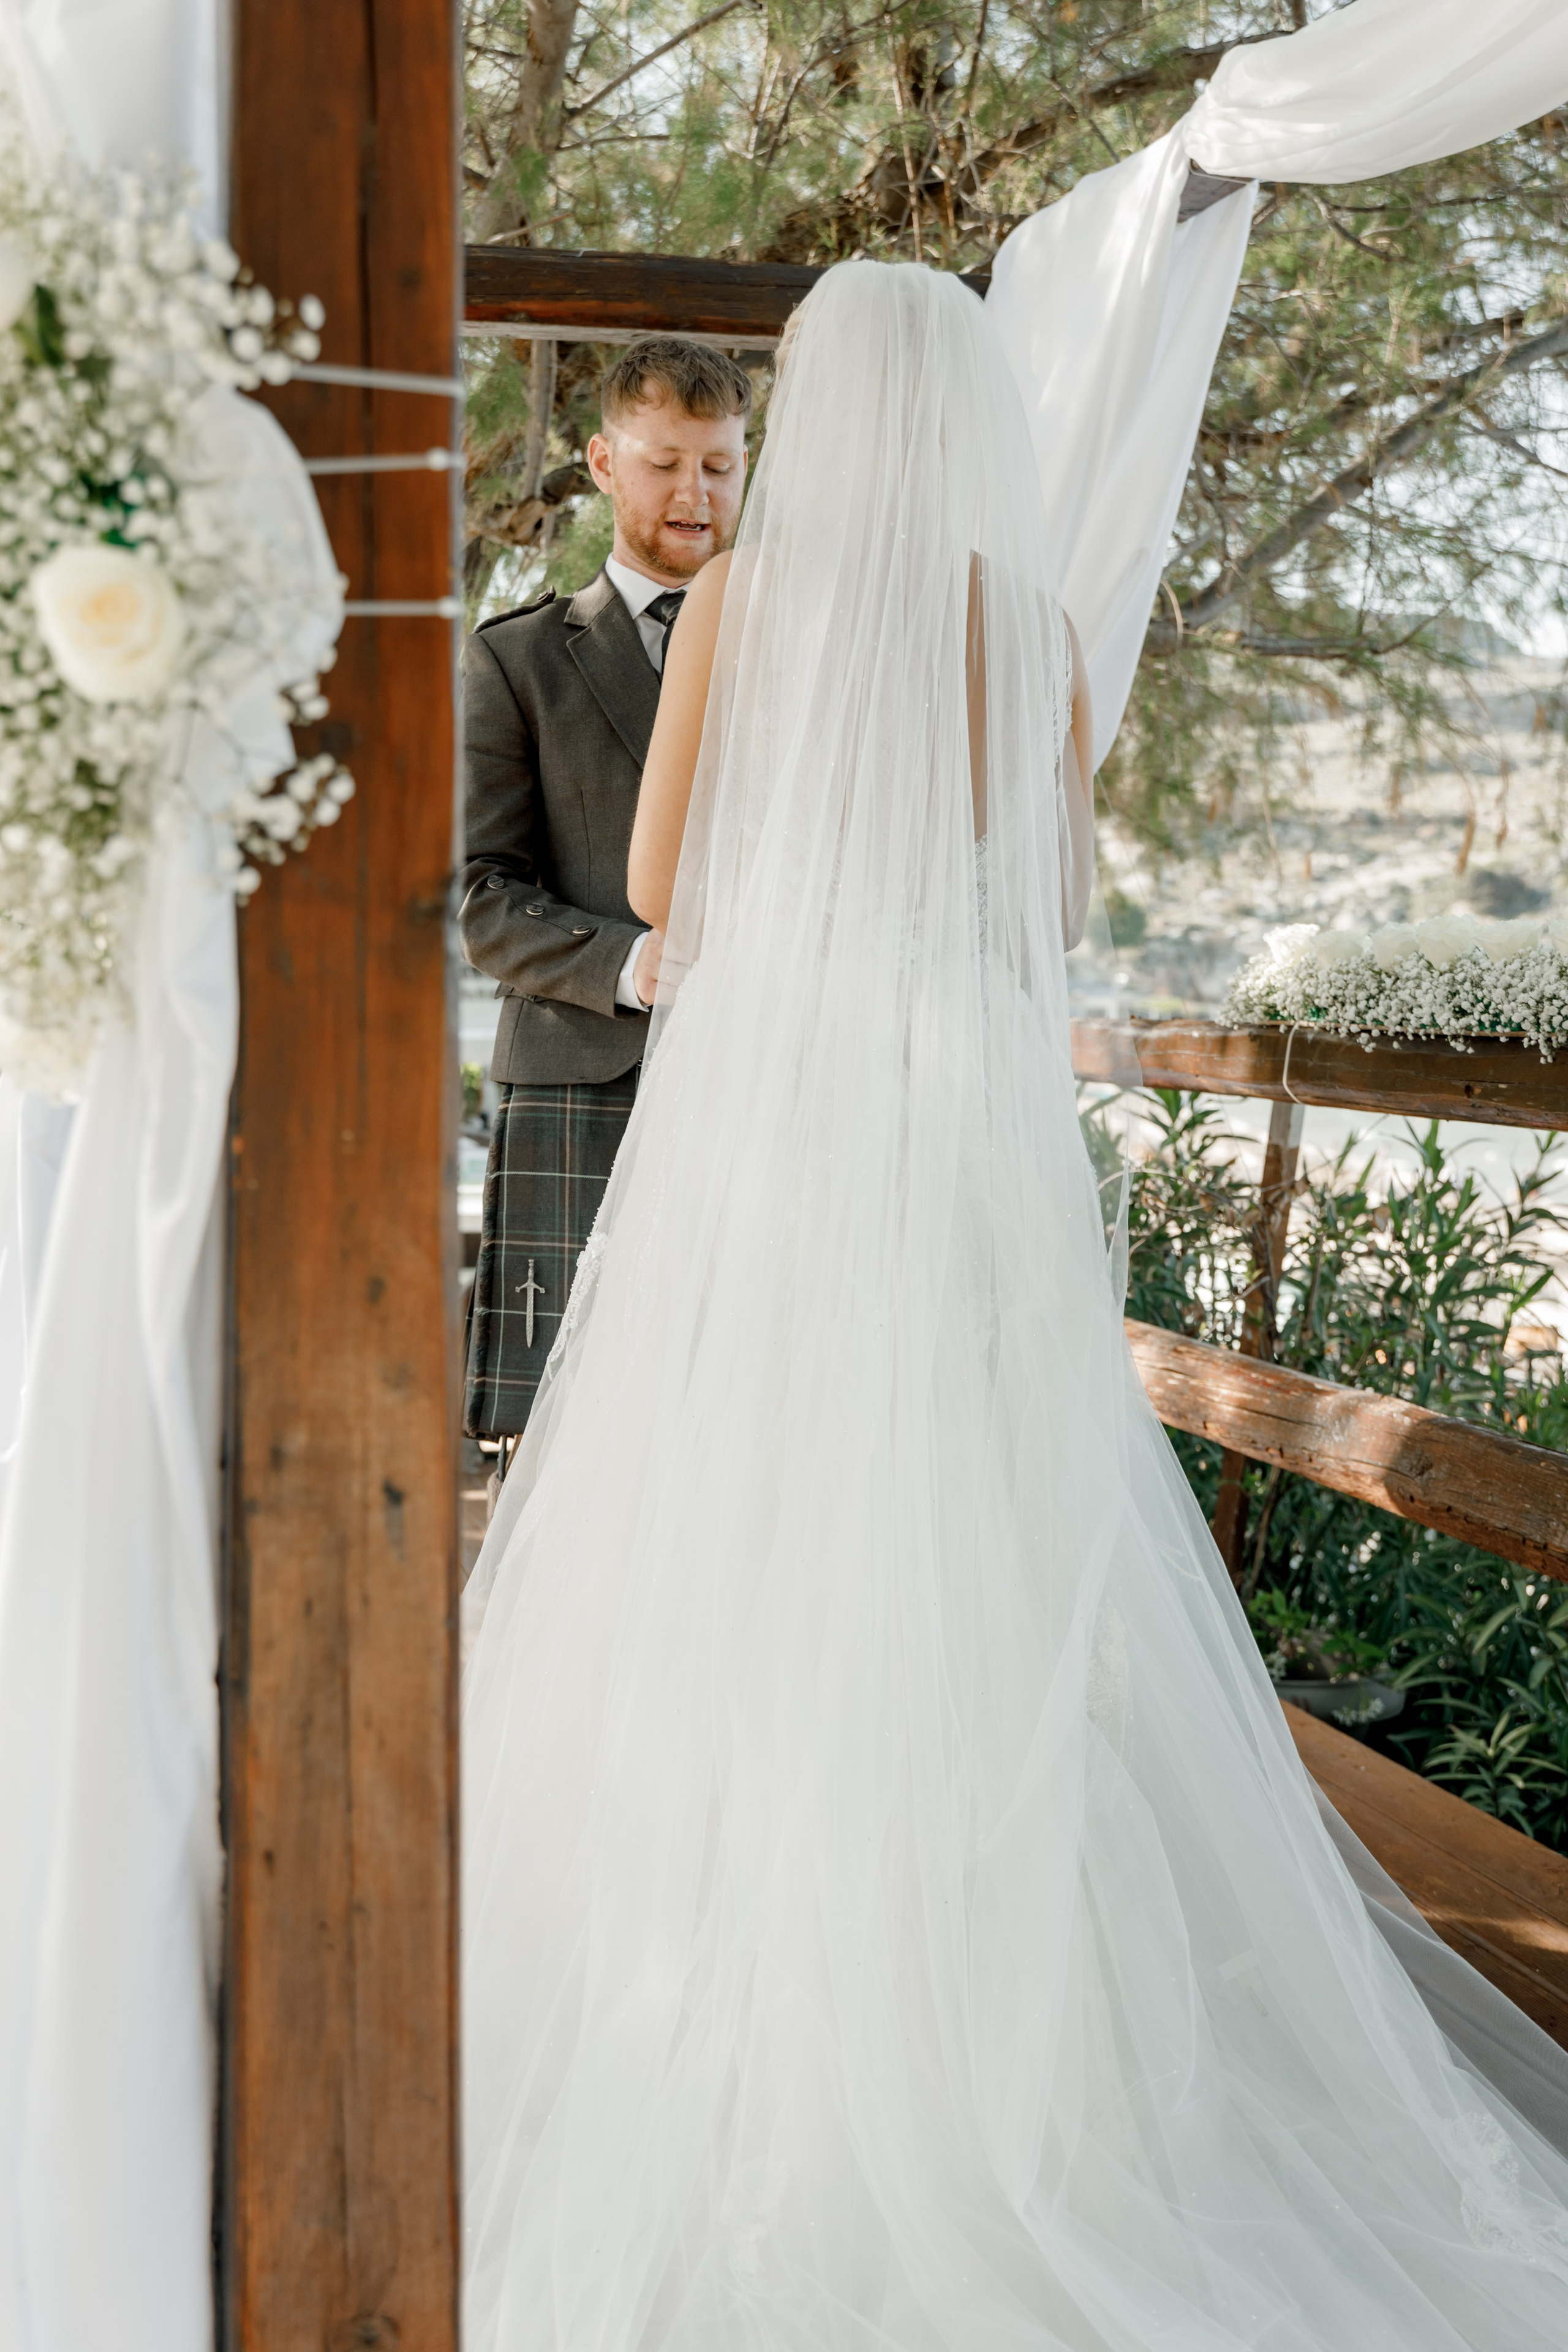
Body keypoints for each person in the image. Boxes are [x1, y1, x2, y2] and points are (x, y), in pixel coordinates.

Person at [461, 261, 1568, 2350]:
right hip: (949, 1128)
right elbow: (1053, 900)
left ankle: (711, 1958)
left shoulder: (759, 610)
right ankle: (1001, 2011)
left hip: (780, 1118)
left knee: (733, 1509)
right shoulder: (1028, 627)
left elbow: (678, 886)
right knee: (967, 1523)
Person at [459, 339, 750, 1449]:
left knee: (725, 1421)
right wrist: (629, 964)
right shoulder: (517, 659)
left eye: (721, 466)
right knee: (561, 1440)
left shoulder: (805, 658)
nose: (696, 493)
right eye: (667, 461)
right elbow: (481, 897)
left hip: (755, 1077)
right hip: (585, 1076)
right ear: (601, 462)